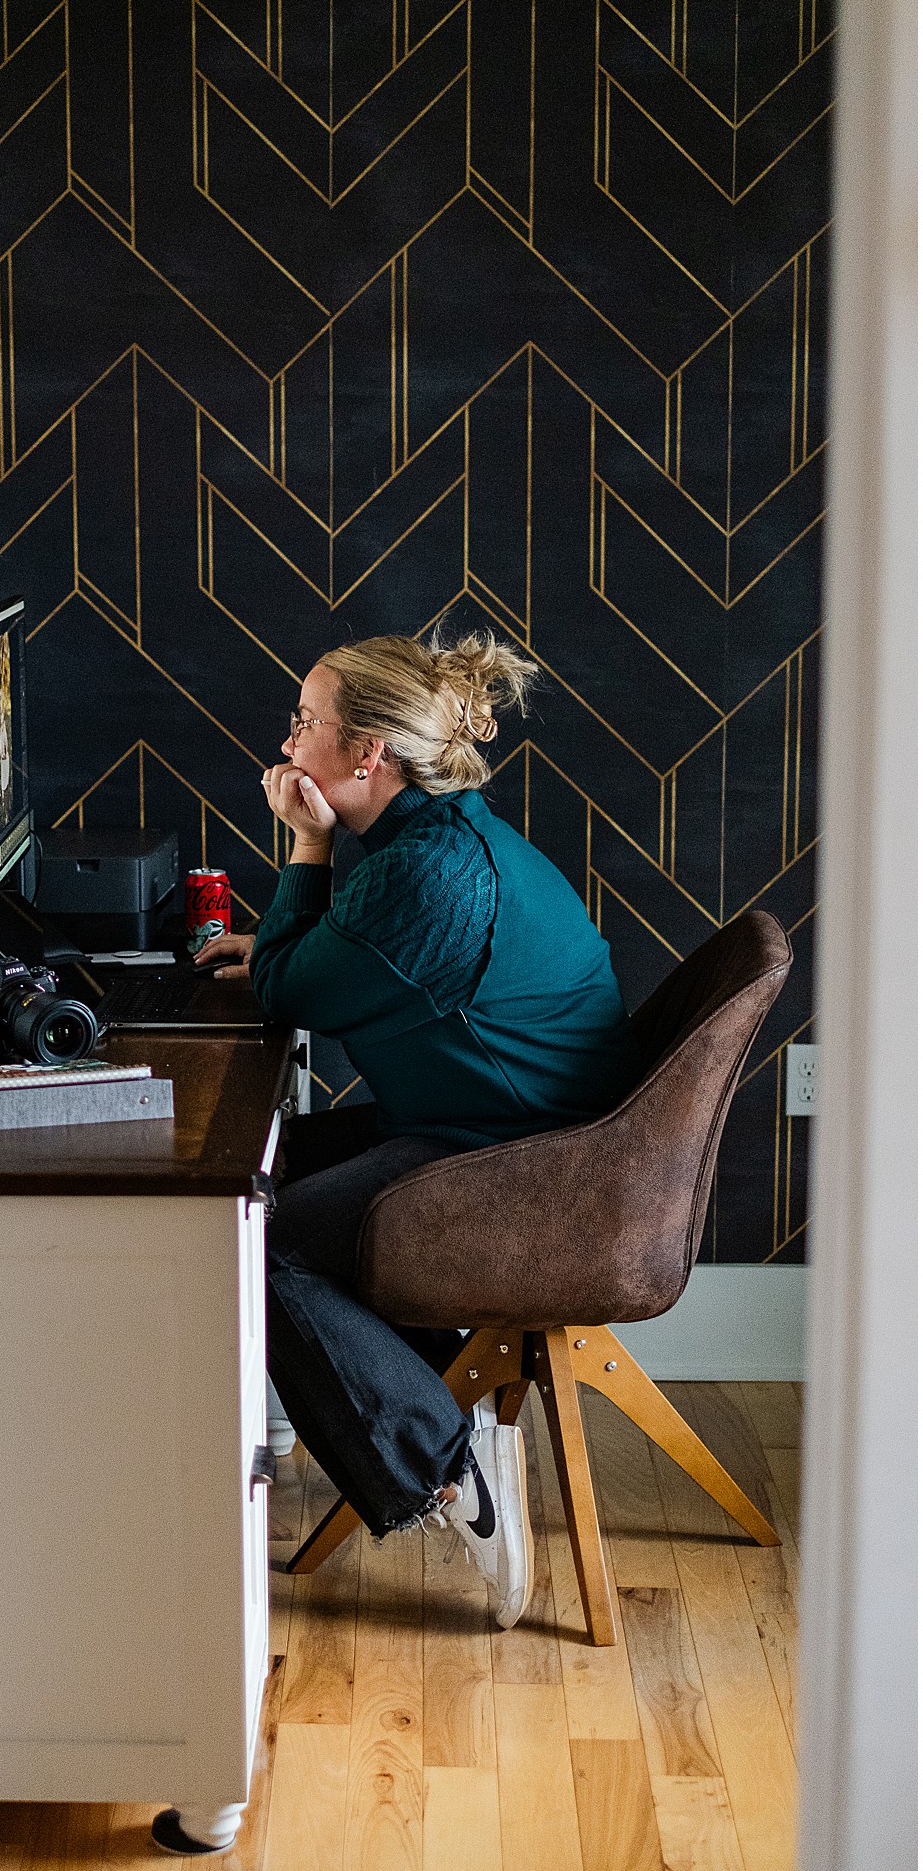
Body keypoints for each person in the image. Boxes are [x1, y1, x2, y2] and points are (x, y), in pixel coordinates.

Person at [194, 626, 641, 1629]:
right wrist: (283, 937)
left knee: (244, 1243)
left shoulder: (426, 874)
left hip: (528, 1164)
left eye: (306, 721)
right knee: (237, 1184)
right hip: (496, 1127)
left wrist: (303, 848)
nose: (288, 735)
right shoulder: (430, 841)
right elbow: (314, 961)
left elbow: (289, 992)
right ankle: (443, 1402)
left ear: (367, 757)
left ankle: (447, 1466)